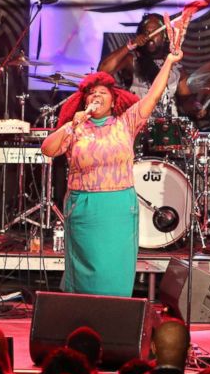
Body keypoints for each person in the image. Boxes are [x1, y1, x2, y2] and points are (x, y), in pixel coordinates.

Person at [40, 20, 185, 296]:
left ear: (113, 99)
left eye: (102, 93)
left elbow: (153, 96)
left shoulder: (125, 122)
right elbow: (48, 149)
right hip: (84, 208)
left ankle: (115, 320)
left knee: (115, 272)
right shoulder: (76, 127)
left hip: (118, 208)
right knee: (85, 275)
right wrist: (72, 123)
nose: (96, 97)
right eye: (91, 94)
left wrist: (169, 61)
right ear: (84, 101)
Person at [98, 12, 204, 120]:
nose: (150, 35)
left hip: (167, 128)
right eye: (146, 32)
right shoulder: (132, 61)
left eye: (155, 32)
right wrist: (130, 45)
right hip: (137, 125)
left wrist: (195, 106)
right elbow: (103, 70)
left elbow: (185, 100)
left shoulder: (176, 68)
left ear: (165, 36)